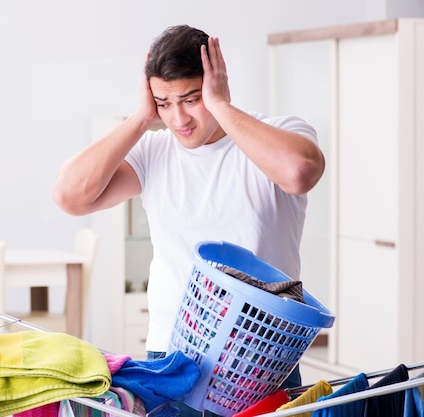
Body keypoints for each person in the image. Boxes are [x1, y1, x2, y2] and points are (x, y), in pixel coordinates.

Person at [52, 24, 325, 416]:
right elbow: (69, 195)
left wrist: (222, 107)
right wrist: (141, 118)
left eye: (190, 99)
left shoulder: (280, 132)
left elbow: (300, 172)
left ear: (215, 82)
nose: (178, 118)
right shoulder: (154, 151)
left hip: (265, 356)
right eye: (164, 103)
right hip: (173, 355)